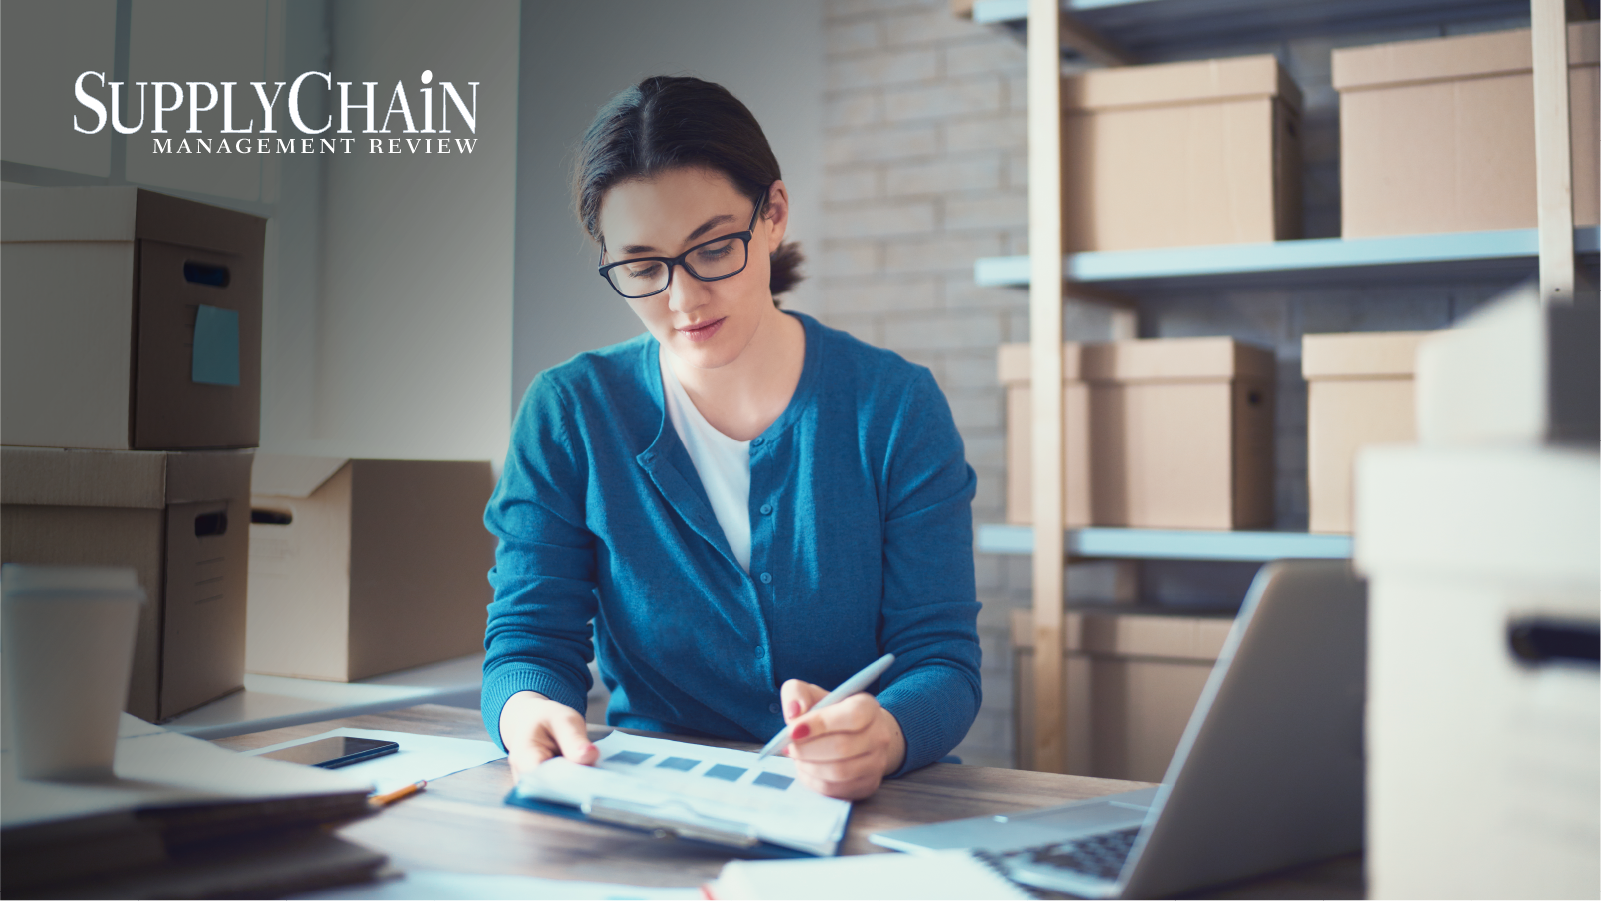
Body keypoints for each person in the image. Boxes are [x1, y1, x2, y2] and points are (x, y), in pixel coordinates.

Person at [481, 75, 980, 801]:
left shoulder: (894, 407)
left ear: (772, 215)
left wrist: (888, 731)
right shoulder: (570, 411)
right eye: (642, 266)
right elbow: (528, 638)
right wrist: (524, 709)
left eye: (712, 249)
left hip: (861, 808)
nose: (682, 299)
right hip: (655, 804)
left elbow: (941, 659)